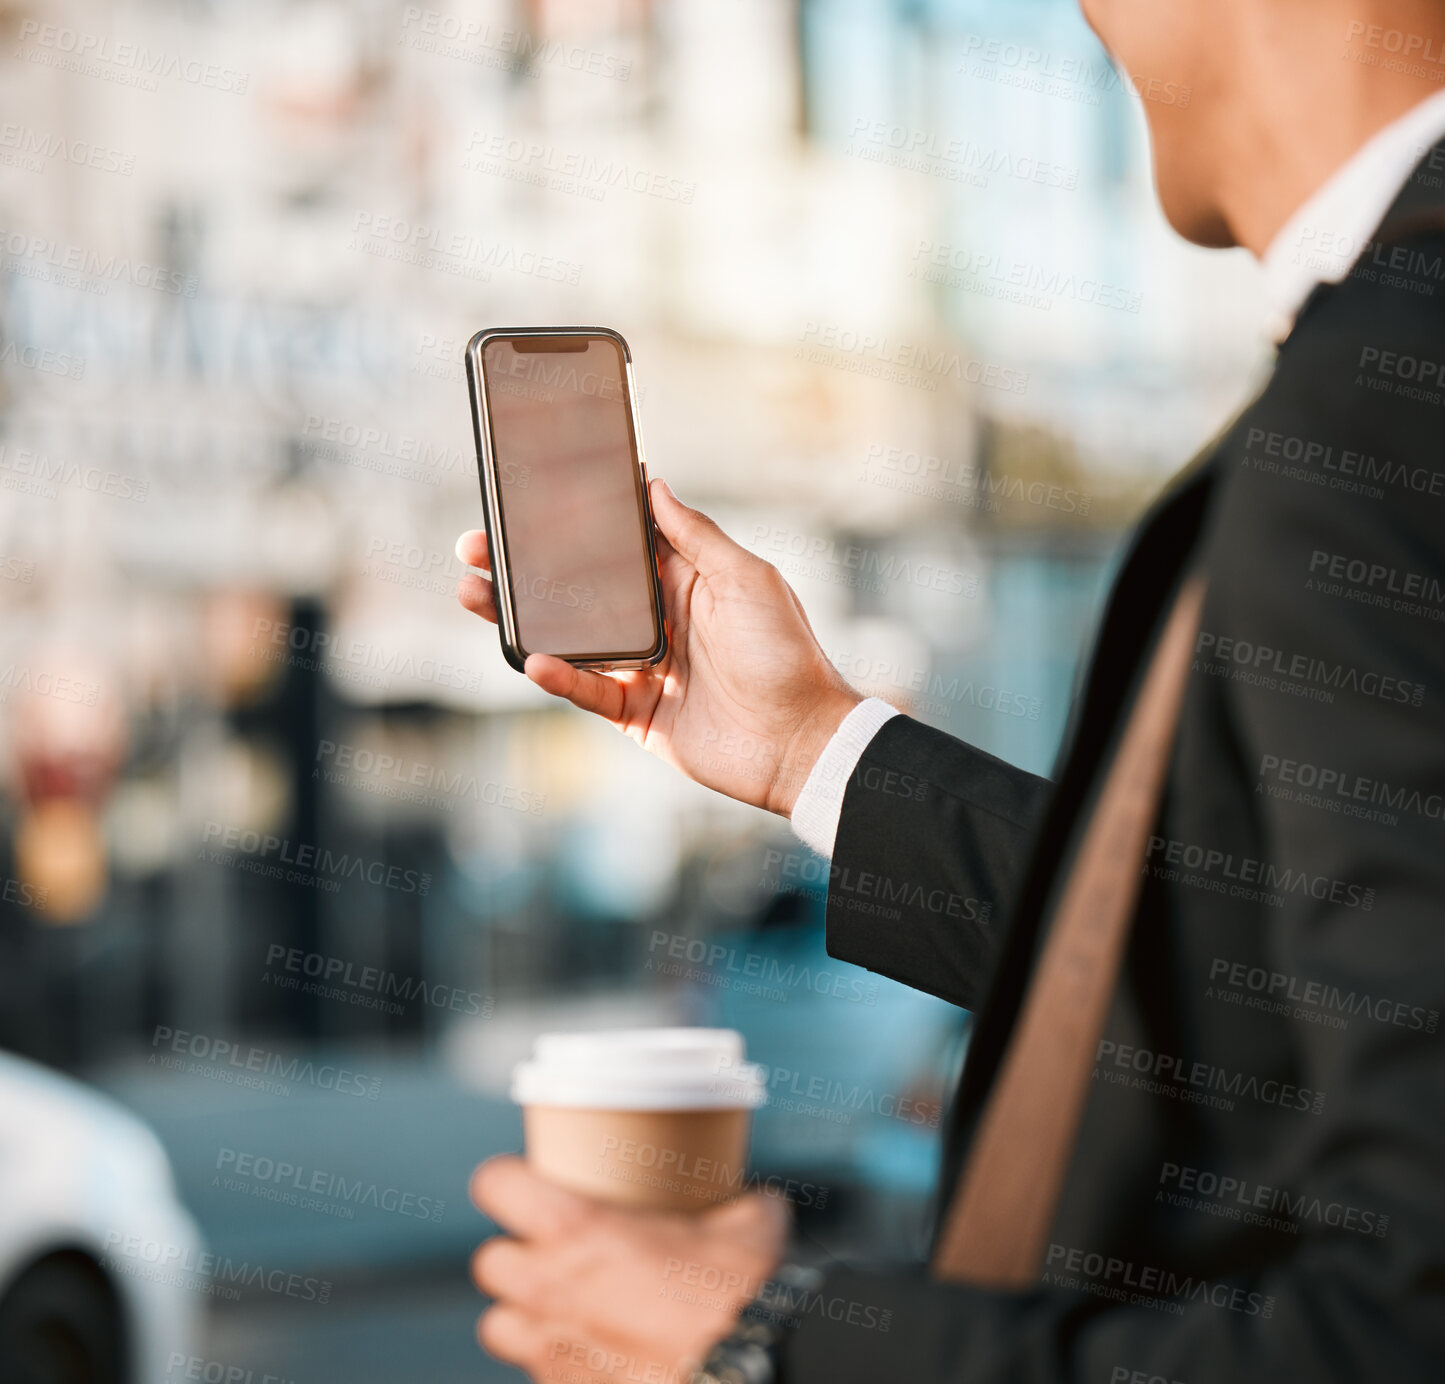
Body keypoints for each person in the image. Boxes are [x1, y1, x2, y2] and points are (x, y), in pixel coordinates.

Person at [454, 0, 1445, 1378]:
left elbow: (1401, 1328)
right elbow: (1233, 987)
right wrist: (812, 745)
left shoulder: (1374, 416)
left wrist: (760, 1341)